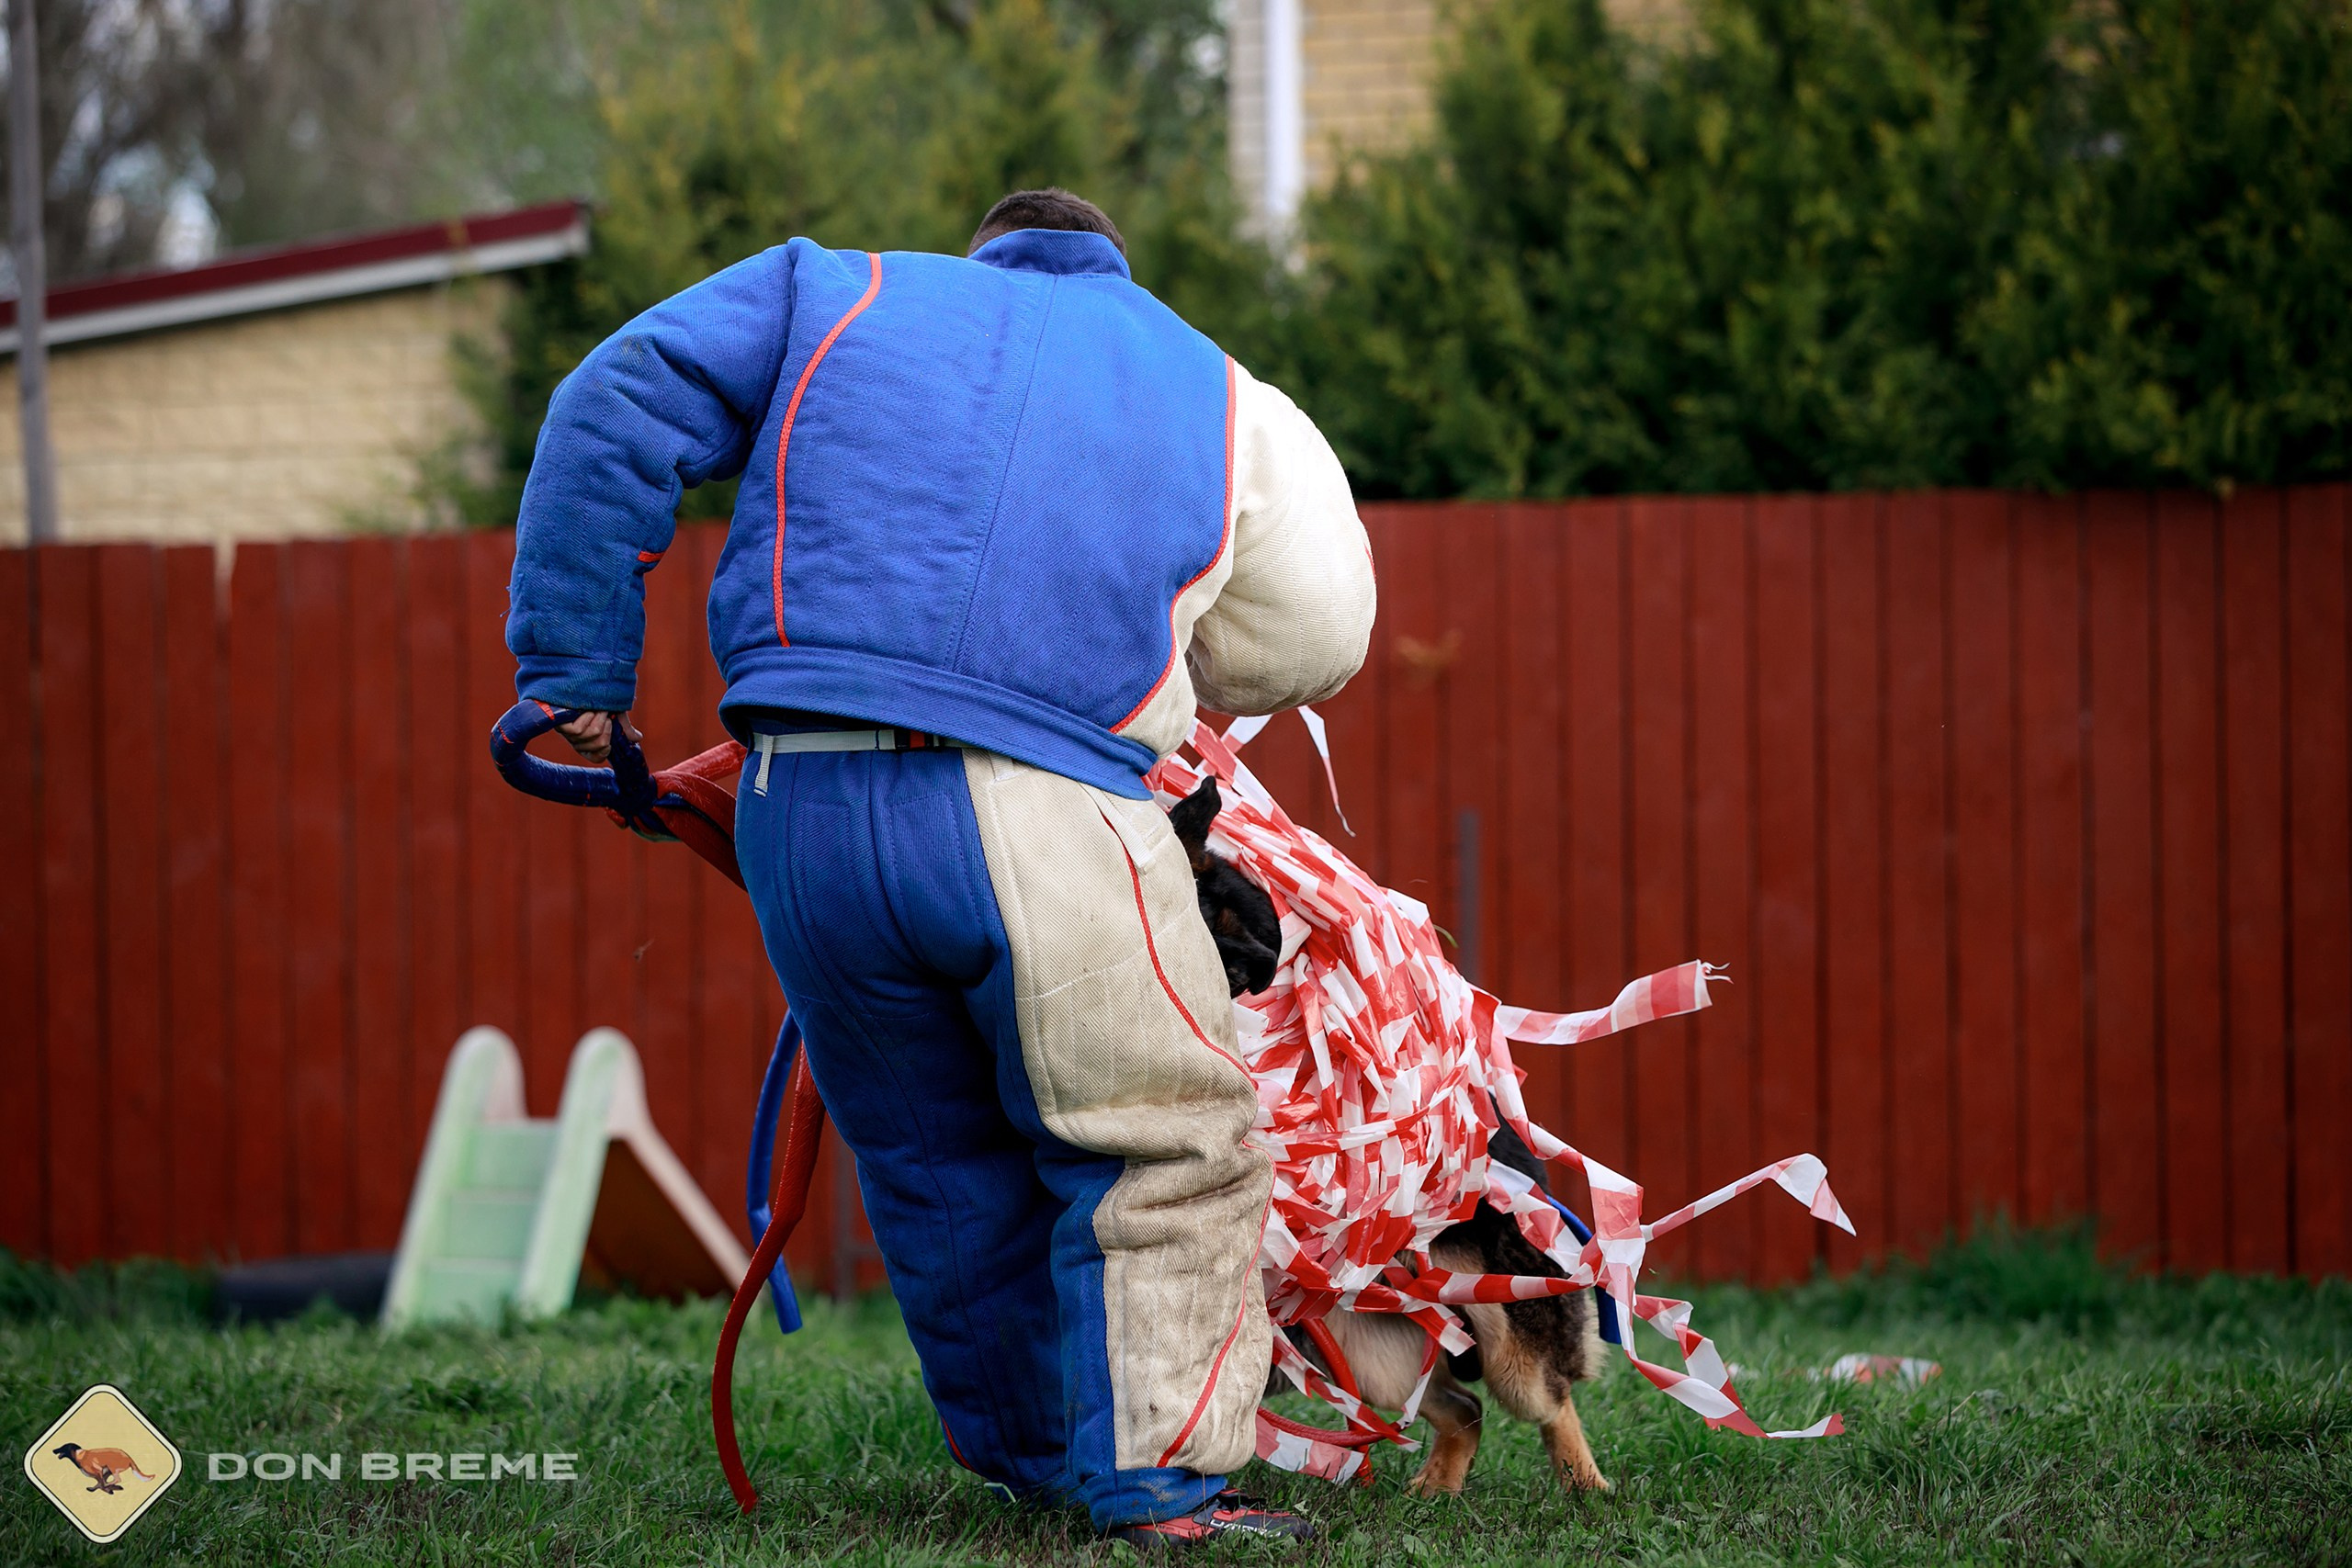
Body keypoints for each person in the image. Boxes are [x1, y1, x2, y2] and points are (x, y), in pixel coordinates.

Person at [506, 188, 1375, 1548]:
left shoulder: (830, 290)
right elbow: (1316, 636)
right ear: (1110, 267)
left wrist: (574, 662)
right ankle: (1156, 1489)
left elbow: (615, 392)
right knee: (1167, 1143)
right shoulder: (1211, 383)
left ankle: (1034, 1462)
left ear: (983, 257)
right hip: (1045, 806)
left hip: (801, 803)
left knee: (933, 1161)